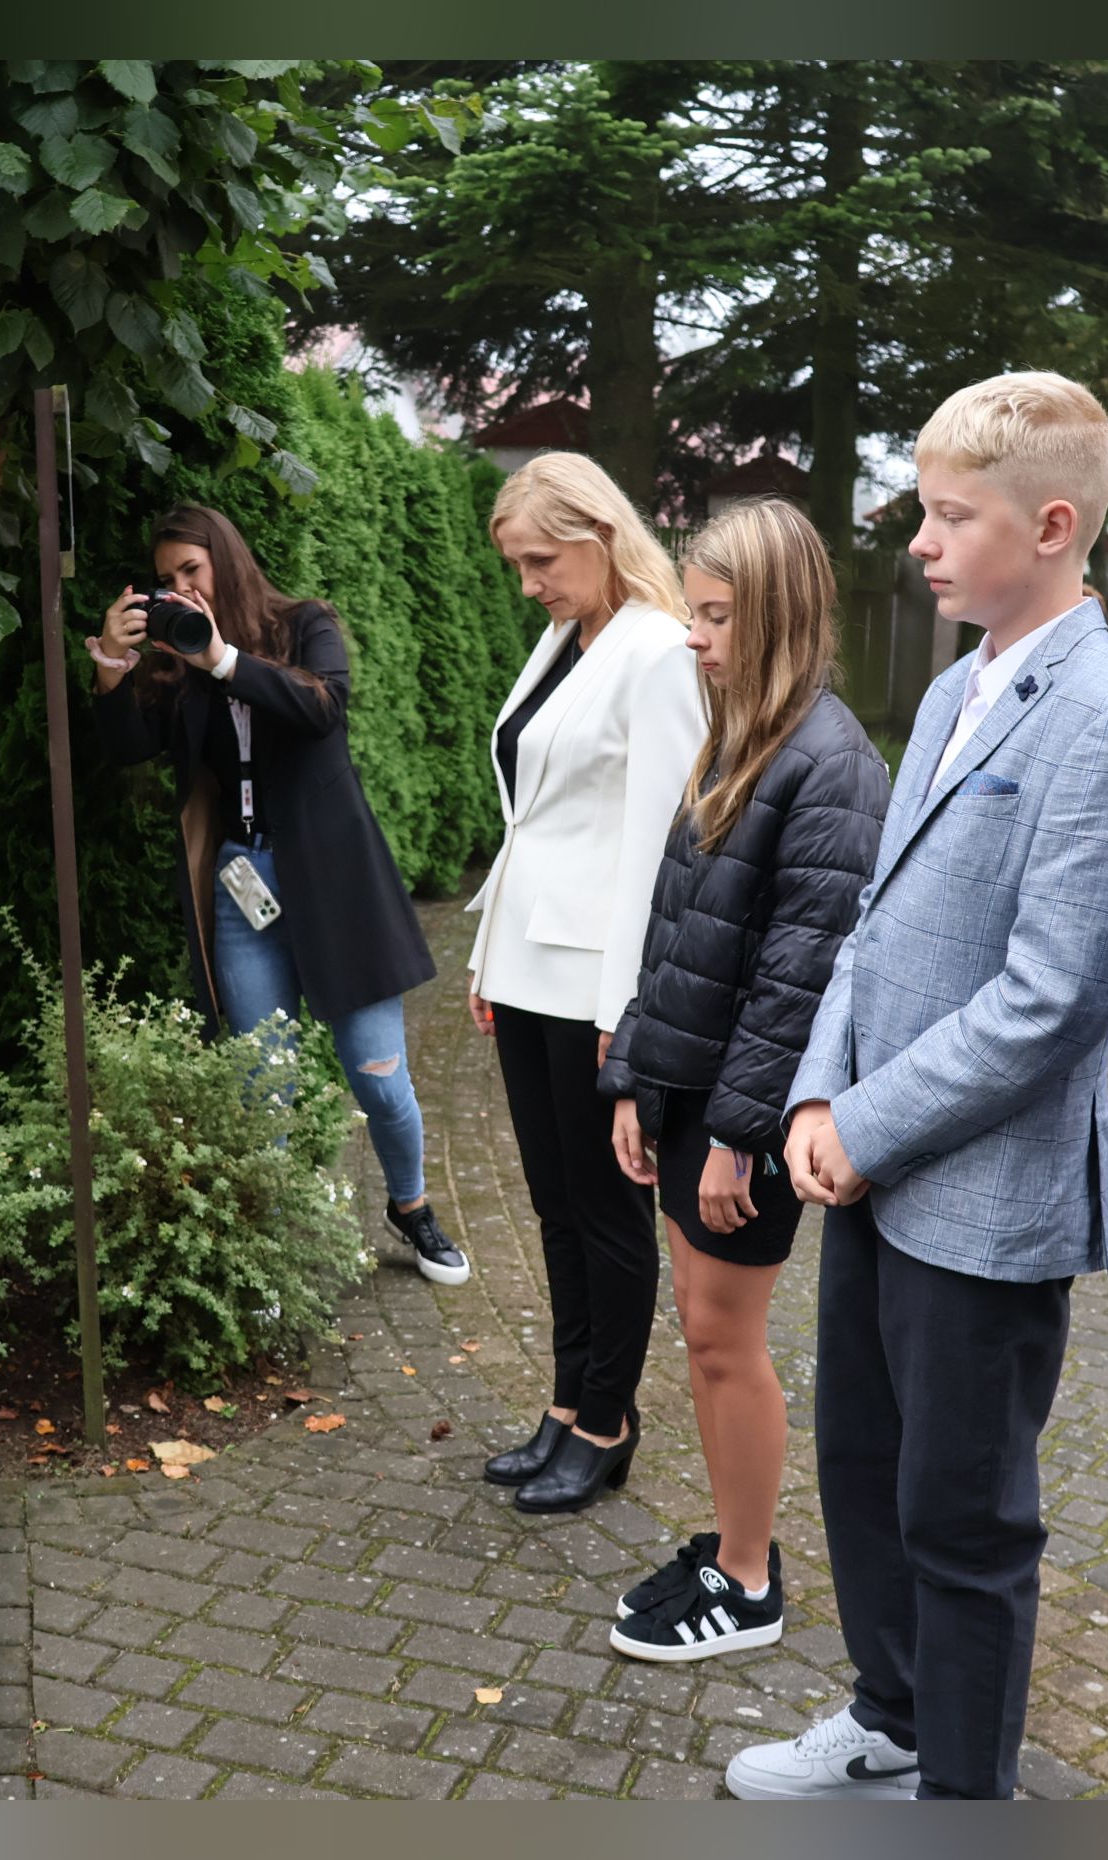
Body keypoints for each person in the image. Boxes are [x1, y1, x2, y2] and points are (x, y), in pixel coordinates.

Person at [724, 373, 1108, 1802]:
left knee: (965, 1523)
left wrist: (860, 1124)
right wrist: (813, 1098)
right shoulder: (946, 692)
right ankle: (892, 1713)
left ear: (1051, 526)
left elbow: (1055, 999)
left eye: (947, 515)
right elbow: (871, 928)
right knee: (863, 1468)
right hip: (868, 1166)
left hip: (979, 1200)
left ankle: (964, 1797)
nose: (917, 541)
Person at [596, 499, 889, 1661]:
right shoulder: (742, 740)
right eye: (695, 611)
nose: (694, 636)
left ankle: (751, 1581)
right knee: (705, 1331)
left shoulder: (831, 765)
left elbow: (798, 980)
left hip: (740, 1122)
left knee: (725, 1339)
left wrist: (739, 1137)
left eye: (716, 615)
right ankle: (729, 1547)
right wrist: (634, 1076)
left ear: (774, 615)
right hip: (694, 1099)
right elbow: (677, 930)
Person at [88, 505, 470, 1287]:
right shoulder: (173, 660)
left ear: (225, 561)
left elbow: (323, 708)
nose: (181, 588)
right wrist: (113, 667)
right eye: (165, 579)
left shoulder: (305, 625)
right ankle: (272, 1249)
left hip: (335, 884)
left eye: (191, 570)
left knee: (380, 1079)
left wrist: (223, 659)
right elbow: (129, 747)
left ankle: (410, 1205)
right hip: (242, 886)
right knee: (264, 1087)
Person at [470, 452, 708, 1513]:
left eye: (541, 561)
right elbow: (533, 819)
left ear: (601, 535)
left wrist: (628, 1009)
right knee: (554, 1205)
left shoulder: (657, 651)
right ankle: (567, 1404)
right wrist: (487, 955)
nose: (529, 584)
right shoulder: (570, 636)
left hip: (595, 986)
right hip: (528, 966)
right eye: (518, 566)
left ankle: (608, 1420)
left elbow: (660, 846)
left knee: (607, 1214)